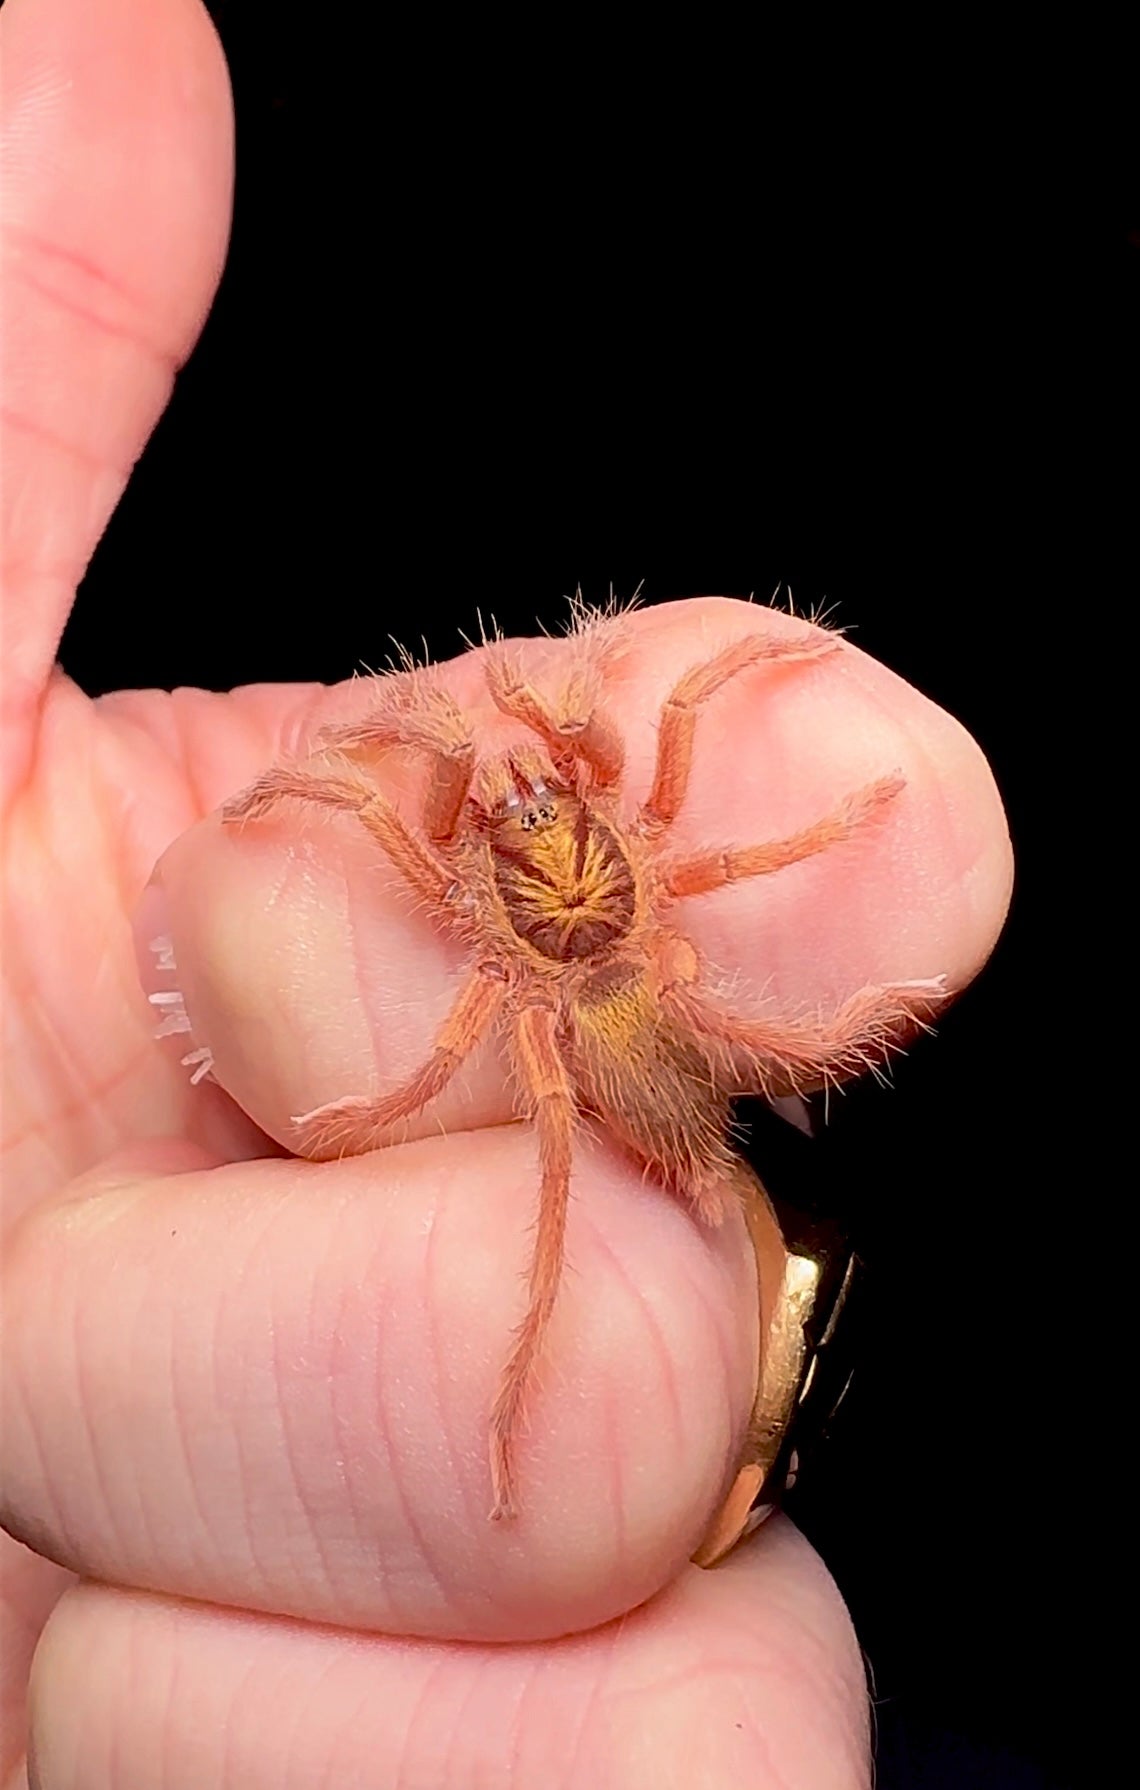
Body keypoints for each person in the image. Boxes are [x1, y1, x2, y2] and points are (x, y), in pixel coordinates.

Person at [0, 1, 1013, 1783]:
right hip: (604, 1040)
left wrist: (813, 777)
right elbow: (405, 951)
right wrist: (323, 774)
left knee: (628, 1147)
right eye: (524, 799)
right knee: (548, 1211)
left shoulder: (618, 879)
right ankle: (577, 1364)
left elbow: (680, 725)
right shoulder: (502, 933)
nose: (537, 792)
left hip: (635, 1033)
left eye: (550, 790)